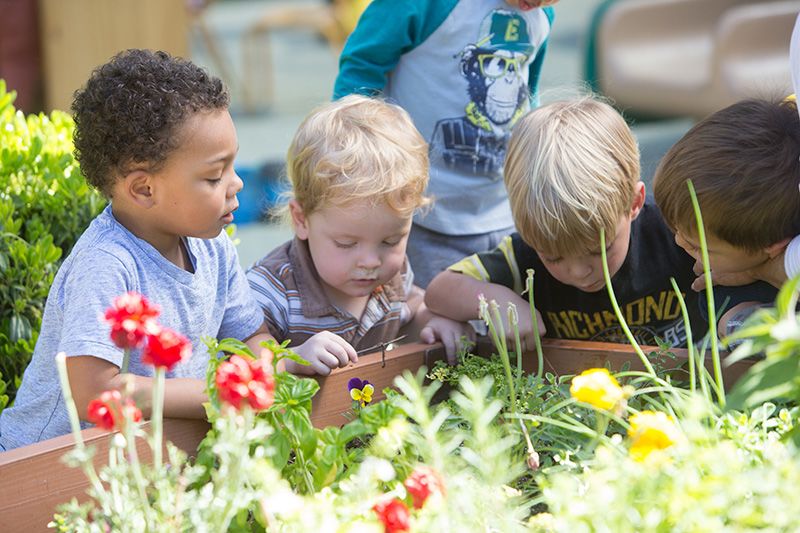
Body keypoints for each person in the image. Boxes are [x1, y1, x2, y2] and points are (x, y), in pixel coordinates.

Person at [0, 49, 272, 451]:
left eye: (232, 167)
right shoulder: (107, 266)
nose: (236, 185)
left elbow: (252, 336)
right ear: (144, 188)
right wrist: (217, 394)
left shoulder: (213, 247)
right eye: (215, 176)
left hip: (139, 463)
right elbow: (96, 393)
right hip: (44, 468)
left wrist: (275, 369)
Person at [425, 97, 716, 350]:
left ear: (634, 204)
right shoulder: (524, 255)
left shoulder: (676, 233)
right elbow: (439, 291)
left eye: (598, 249)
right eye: (553, 257)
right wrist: (495, 301)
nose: (579, 272)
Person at [333, 0, 558, 288]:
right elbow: (361, 66)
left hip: (506, 213)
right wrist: (351, 151)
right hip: (427, 215)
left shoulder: (540, 13)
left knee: (508, 323)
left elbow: (529, 94)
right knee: (436, 321)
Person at [246, 95, 474, 375]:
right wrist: (291, 358)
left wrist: (432, 322)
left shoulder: (393, 278)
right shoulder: (271, 289)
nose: (370, 261)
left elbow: (410, 312)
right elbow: (238, 356)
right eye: (346, 243)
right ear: (301, 219)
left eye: (391, 241)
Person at [653, 97, 799, 335]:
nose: (679, 242)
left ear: (771, 246)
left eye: (702, 249)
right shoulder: (726, 278)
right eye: (675, 230)